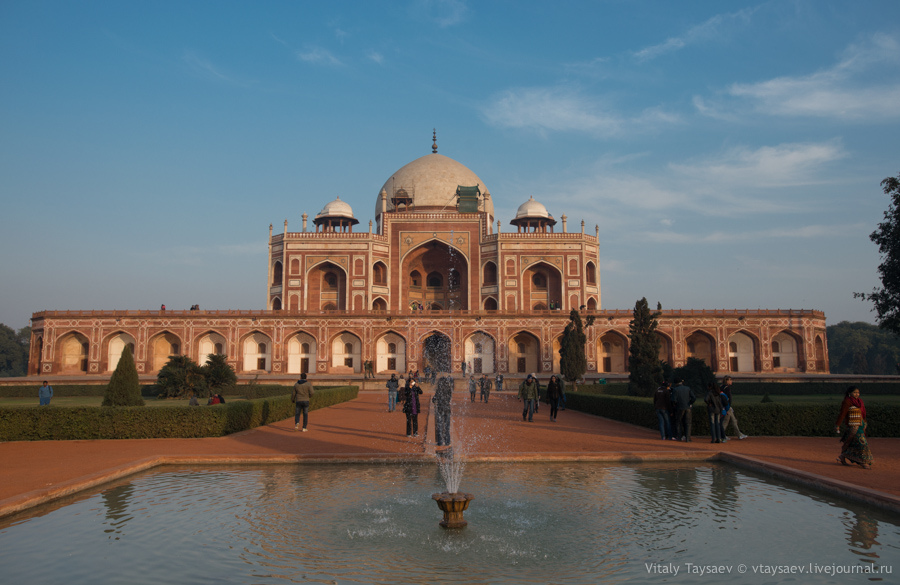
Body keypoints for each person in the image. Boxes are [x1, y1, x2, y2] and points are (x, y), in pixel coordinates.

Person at [835, 386, 874, 469]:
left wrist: (865, 423)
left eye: (858, 393)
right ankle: (863, 462)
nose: (857, 394)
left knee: (853, 444)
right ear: (849, 393)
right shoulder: (847, 402)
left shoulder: (860, 401)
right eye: (855, 392)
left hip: (861, 425)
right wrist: (837, 425)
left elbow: (863, 414)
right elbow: (842, 414)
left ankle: (842, 456)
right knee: (862, 444)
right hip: (853, 426)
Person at [432, 375, 453, 446]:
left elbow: (434, 398)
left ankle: (440, 442)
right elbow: (449, 398)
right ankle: (447, 441)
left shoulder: (439, 389)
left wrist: (435, 400)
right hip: (447, 408)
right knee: (447, 426)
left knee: (440, 425)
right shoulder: (449, 389)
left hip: (440, 408)